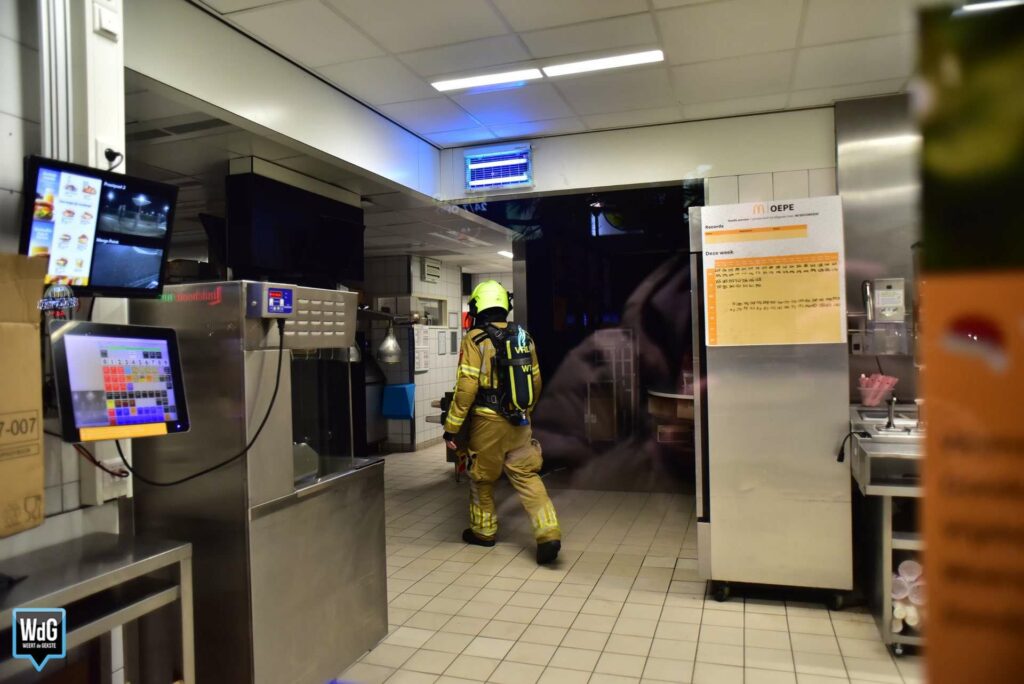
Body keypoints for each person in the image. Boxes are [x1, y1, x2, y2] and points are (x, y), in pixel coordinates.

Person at [443, 280, 562, 564]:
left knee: (482, 478)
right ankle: (549, 534)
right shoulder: (524, 337)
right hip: (520, 421)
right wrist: (524, 410)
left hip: (487, 423)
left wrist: (452, 427)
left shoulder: (475, 339)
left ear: (477, 307)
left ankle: (483, 532)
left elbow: (467, 388)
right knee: (527, 475)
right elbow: (536, 381)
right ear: (504, 305)